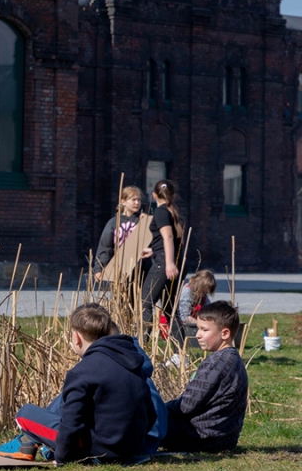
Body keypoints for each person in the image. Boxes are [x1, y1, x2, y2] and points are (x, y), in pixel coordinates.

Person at [0, 304, 157, 465]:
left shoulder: (83, 372)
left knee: (25, 413)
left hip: (97, 450)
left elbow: (71, 425)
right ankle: (27, 442)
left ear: (77, 338)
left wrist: (63, 457)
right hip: (130, 449)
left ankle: (26, 440)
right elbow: (151, 415)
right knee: (64, 399)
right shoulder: (134, 364)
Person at [161, 301, 248, 453]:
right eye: (198, 328)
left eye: (204, 330)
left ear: (225, 333)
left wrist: (159, 410)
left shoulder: (217, 362)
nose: (197, 335)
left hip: (202, 437)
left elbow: (186, 406)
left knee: (144, 421)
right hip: (225, 438)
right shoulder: (234, 359)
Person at [139, 179, 184, 328]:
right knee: (170, 308)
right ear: (174, 196)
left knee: (145, 302)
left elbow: (168, 237)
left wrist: (169, 263)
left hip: (164, 264)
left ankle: (142, 344)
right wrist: (153, 250)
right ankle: (179, 350)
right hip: (170, 260)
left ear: (153, 195)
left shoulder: (161, 211)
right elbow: (170, 241)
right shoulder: (172, 212)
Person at [94, 186, 144, 281]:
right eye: (133, 200)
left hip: (139, 270)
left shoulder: (141, 222)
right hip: (118, 269)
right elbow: (105, 247)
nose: (137, 203)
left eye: (139, 200)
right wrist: (98, 269)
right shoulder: (113, 223)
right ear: (123, 201)